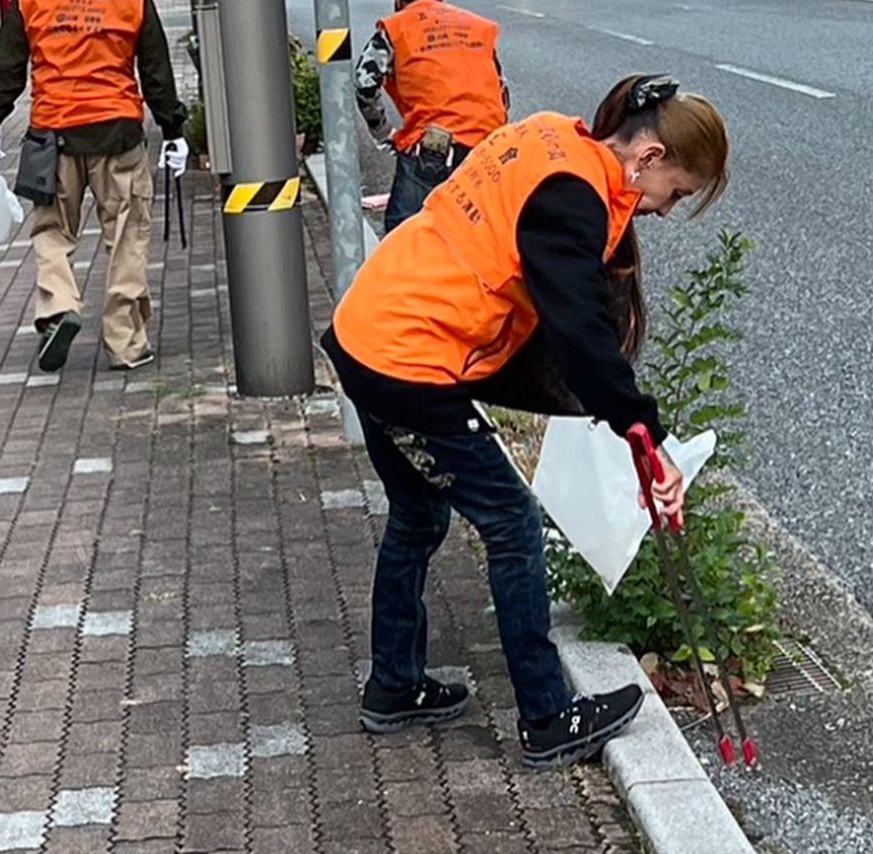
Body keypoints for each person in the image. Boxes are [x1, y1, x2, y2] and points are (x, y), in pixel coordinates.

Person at [323, 75, 729, 768]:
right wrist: (645, 431)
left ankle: (393, 684)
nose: (665, 210)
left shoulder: (549, 136)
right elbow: (579, 330)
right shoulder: (574, 199)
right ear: (650, 157)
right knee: (511, 521)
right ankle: (547, 715)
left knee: (419, 517)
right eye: (678, 193)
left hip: (369, 326)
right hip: (409, 362)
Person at [0, 0, 188, 373]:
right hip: (117, 129)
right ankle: (125, 343)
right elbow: (155, 67)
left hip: (53, 134)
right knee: (127, 235)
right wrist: (172, 128)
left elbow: (9, 62)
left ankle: (59, 307)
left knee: (52, 231)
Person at [355, 0, 509, 233]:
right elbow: (501, 90)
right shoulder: (478, 26)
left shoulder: (395, 29)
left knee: (404, 241)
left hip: (432, 154)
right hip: (488, 152)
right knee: (482, 238)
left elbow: (365, 84)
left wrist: (385, 135)